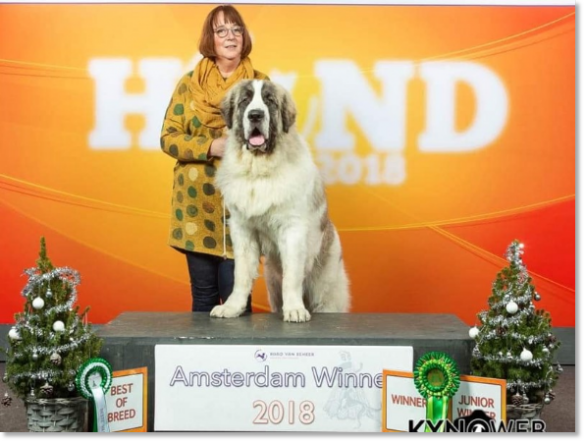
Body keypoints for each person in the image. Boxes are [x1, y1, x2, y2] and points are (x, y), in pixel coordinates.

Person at [160, 4, 268, 312]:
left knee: (239, 300)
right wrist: (210, 147)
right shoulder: (188, 84)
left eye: (237, 30)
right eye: (222, 31)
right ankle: (199, 363)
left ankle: (241, 362)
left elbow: (275, 137)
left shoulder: (259, 84)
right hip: (196, 211)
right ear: (211, 38)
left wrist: (241, 146)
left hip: (244, 206)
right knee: (204, 299)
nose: (231, 37)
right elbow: (168, 138)